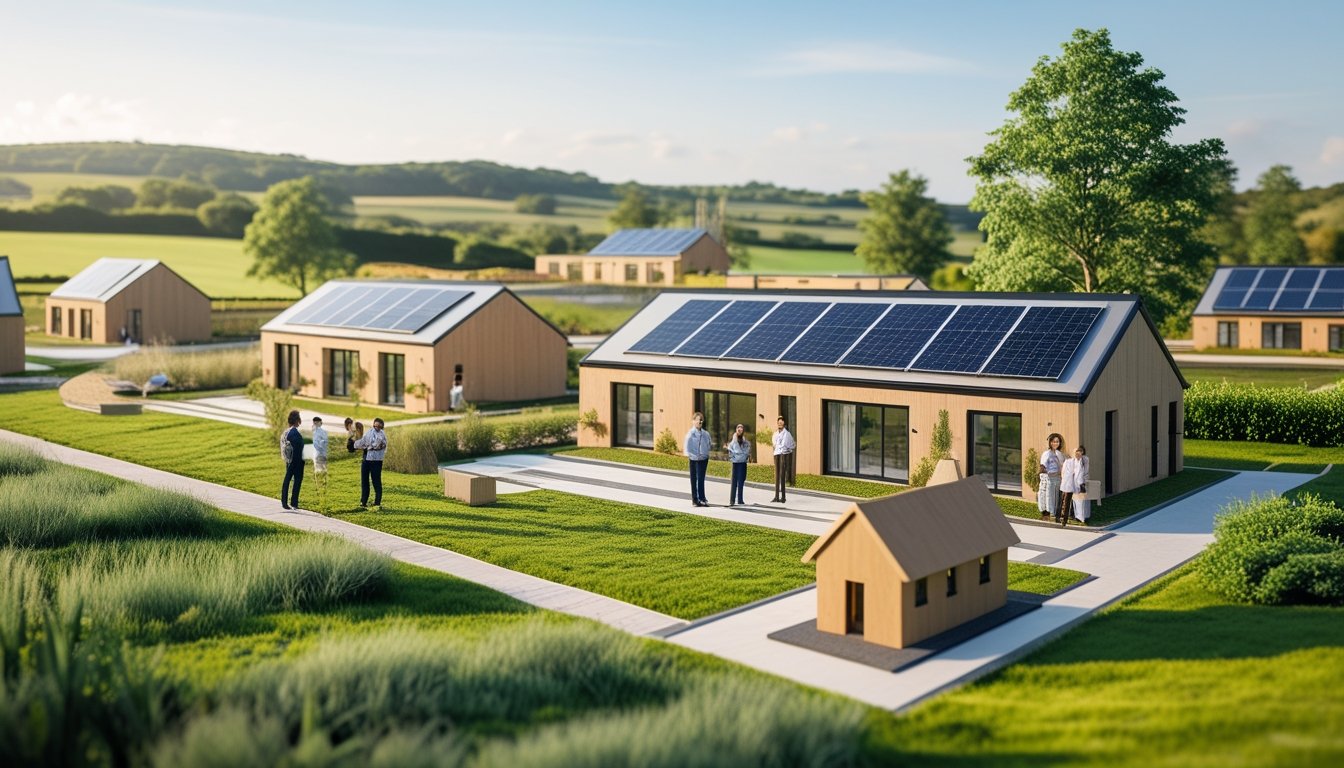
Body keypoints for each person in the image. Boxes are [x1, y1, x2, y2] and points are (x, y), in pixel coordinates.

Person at [352, 417, 387, 509]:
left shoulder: (382, 435)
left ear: (382, 427)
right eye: (375, 425)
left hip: (376, 461)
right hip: (366, 459)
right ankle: (363, 502)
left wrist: (366, 446)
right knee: (365, 482)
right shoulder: (369, 432)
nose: (377, 427)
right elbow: (363, 442)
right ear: (373, 424)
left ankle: (377, 503)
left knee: (376, 482)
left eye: (379, 426)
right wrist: (354, 444)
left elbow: (376, 444)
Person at [683, 412, 711, 507]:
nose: (699, 421)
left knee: (701, 479)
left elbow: (708, 444)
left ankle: (702, 498)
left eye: (701, 420)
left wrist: (706, 454)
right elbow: (686, 448)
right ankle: (695, 499)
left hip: (704, 459)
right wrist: (693, 456)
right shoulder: (690, 434)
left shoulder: (706, 434)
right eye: (697, 419)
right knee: (695, 480)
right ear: (693, 421)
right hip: (694, 460)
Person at [280, 410, 304, 510]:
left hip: (289, 460)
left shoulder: (286, 432)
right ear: (297, 420)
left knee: (287, 480)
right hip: (297, 461)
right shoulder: (295, 432)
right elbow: (300, 447)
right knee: (297, 480)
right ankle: (294, 502)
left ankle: (284, 502)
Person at [1038, 433, 1065, 522]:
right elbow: (1042, 467)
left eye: (1057, 442)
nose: (1055, 443)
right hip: (1050, 478)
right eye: (1053, 442)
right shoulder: (1047, 454)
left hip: (1057, 479)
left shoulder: (1059, 454)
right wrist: (1050, 473)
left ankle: (1054, 515)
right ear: (1050, 443)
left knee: (1056, 497)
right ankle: (1048, 515)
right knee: (1048, 497)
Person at [771, 416, 795, 504]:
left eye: (781, 422)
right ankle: (776, 496)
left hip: (783, 455)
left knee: (782, 476)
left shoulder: (787, 434)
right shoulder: (775, 433)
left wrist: (781, 448)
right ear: (777, 423)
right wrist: (777, 446)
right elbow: (774, 443)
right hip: (776, 454)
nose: (780, 424)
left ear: (784, 423)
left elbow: (787, 444)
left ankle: (783, 497)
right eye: (778, 422)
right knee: (776, 476)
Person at [725, 423, 751, 506]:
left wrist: (740, 455)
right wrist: (737, 457)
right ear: (736, 430)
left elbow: (747, 452)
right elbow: (730, 454)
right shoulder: (732, 443)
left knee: (741, 482)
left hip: (743, 464)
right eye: (738, 429)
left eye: (741, 429)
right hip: (735, 464)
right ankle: (732, 500)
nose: (740, 430)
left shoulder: (745, 442)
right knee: (734, 482)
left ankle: (740, 499)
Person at [1059, 446, 1084, 527]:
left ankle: (1065, 517)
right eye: (1077, 452)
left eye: (1080, 452)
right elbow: (1064, 472)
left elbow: (1079, 475)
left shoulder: (1078, 463)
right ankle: (1064, 519)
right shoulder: (1070, 461)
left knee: (1067, 501)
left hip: (1071, 484)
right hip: (1069, 484)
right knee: (1066, 501)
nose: (1078, 454)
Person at [1070, 445, 1091, 524]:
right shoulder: (1074, 460)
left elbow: (1083, 472)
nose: (1079, 452)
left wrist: (1082, 483)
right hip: (1076, 483)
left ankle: (1083, 516)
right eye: (1078, 451)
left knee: (1082, 501)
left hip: (1082, 482)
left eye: (1081, 451)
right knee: (1076, 500)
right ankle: (1078, 516)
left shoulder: (1085, 459)